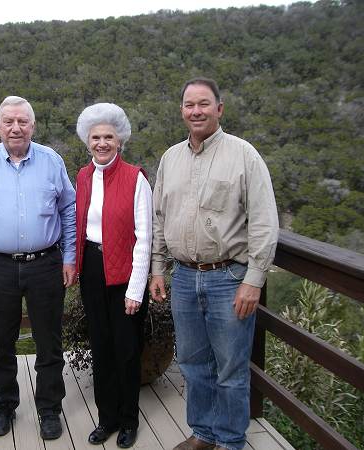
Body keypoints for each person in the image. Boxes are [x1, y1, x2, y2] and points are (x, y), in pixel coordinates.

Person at [149, 77, 279, 450]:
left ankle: (231, 441)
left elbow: (265, 222)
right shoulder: (170, 158)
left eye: (204, 104)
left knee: (231, 369)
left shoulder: (244, 155)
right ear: (182, 111)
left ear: (219, 109)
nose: (196, 111)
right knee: (192, 363)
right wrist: (159, 268)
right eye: (189, 105)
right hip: (185, 278)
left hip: (229, 279)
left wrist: (254, 280)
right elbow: (160, 218)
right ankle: (204, 434)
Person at [0, 96, 76, 441]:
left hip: (46, 264)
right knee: (0, 342)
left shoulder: (52, 161)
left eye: (22, 121)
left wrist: (69, 257)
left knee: (49, 343)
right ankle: (4, 404)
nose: (16, 128)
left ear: (33, 126)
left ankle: (49, 408)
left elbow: (69, 210)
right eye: (8, 122)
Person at [75, 103, 152, 449]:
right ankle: (106, 418)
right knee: (101, 347)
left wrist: (136, 289)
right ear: (87, 141)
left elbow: (145, 237)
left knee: (125, 350)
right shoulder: (83, 176)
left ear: (120, 140)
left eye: (109, 136)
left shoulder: (136, 178)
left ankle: (129, 420)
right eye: (96, 137)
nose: (102, 143)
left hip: (124, 273)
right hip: (92, 268)